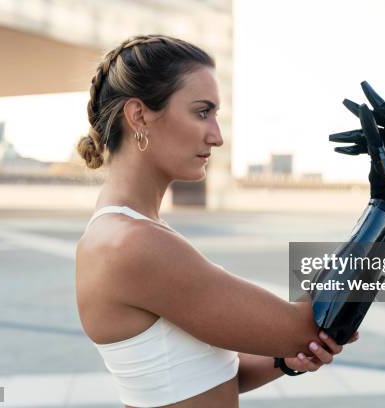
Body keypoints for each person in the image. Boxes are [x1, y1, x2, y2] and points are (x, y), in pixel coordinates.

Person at [75, 34, 357, 408]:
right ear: (139, 115)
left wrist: (284, 361)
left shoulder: (130, 233)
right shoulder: (132, 244)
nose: (217, 136)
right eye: (202, 112)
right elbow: (303, 328)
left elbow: (208, 375)